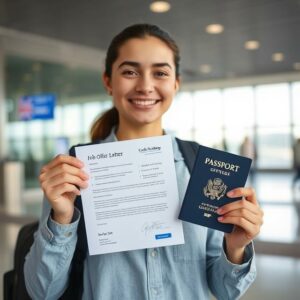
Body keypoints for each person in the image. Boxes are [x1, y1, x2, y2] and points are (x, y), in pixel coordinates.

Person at [24, 24, 263, 300]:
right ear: (108, 81)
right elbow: (41, 291)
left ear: (176, 83)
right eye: (129, 72)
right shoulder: (74, 174)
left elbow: (225, 290)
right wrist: (62, 218)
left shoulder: (202, 169)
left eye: (160, 73)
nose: (145, 86)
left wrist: (234, 248)